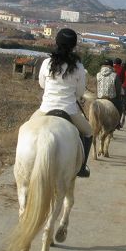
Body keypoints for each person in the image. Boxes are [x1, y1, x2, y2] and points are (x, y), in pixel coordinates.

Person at [38, 28, 93, 178]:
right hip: (69, 110)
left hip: (45, 109)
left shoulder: (47, 63)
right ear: (74, 45)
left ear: (56, 42)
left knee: (25, 129)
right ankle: (82, 167)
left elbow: (42, 84)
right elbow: (80, 93)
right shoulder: (79, 67)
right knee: (88, 132)